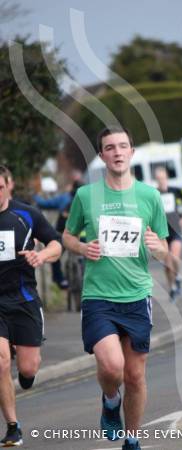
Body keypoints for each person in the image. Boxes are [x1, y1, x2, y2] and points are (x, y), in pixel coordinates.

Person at [63, 126, 168, 450]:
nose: (118, 152)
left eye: (123, 146)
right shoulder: (85, 196)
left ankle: (132, 438)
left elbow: (164, 248)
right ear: (102, 155)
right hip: (99, 296)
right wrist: (83, 248)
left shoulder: (150, 196)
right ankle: (110, 401)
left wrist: (156, 246)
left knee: (135, 375)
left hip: (137, 295)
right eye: (110, 147)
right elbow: (67, 237)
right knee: (112, 367)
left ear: (132, 153)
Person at [0, 165, 62, 446]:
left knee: (27, 368)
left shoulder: (26, 214)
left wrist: (42, 256)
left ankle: (25, 371)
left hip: (23, 299)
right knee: (0, 362)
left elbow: (56, 243)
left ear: (9, 185)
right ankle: (13, 426)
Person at [33, 170, 83, 289]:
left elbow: (44, 203)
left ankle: (60, 279)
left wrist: (34, 195)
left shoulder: (64, 198)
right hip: (83, 236)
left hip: (63, 235)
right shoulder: (87, 200)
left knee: (55, 252)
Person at [154, 166, 182, 302]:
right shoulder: (154, 194)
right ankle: (173, 288)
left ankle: (178, 278)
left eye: (163, 178)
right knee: (167, 265)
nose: (161, 181)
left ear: (166, 177)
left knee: (175, 257)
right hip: (162, 233)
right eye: (158, 179)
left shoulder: (176, 190)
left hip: (175, 230)